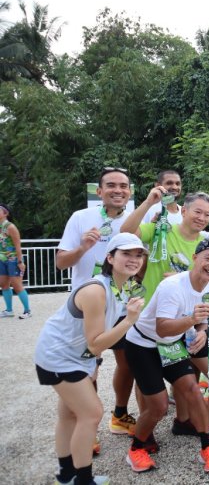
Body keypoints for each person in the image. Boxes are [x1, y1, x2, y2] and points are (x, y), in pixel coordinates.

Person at [35, 233, 147, 485]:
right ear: (110, 257)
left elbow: (95, 340)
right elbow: (96, 342)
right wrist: (130, 320)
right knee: (92, 413)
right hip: (59, 356)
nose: (134, 259)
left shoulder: (120, 286)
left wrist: (92, 363)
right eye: (126, 254)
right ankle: (82, 480)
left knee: (69, 415)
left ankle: (66, 476)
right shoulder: (97, 290)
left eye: (138, 254)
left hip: (74, 356)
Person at [123, 239, 209, 474]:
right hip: (143, 344)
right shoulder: (173, 286)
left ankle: (206, 447)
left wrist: (201, 332)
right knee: (158, 406)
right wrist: (192, 320)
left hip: (171, 344)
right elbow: (163, 328)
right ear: (195, 259)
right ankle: (136, 448)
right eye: (207, 259)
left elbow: (202, 321)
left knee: (193, 390)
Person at [56, 166, 135, 444]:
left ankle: (120, 415)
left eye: (123, 186)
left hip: (123, 306)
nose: (118, 190)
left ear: (129, 192)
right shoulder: (81, 217)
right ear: (99, 191)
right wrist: (82, 249)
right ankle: (87, 429)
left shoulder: (138, 218)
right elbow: (60, 262)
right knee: (89, 365)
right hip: (89, 307)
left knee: (129, 363)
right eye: (111, 185)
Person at [120, 190, 209, 304]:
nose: (202, 218)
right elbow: (126, 232)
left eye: (207, 215)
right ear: (184, 211)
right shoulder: (161, 230)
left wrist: (183, 278)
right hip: (148, 310)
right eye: (198, 212)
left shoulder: (206, 247)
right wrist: (148, 203)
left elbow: (205, 283)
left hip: (179, 315)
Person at [0, 203, 31, 319]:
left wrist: (20, 261)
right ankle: (9, 310)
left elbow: (18, 246)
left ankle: (27, 310)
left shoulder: (11, 227)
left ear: (5, 213)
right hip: (2, 259)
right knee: (3, 284)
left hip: (13, 260)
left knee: (17, 285)